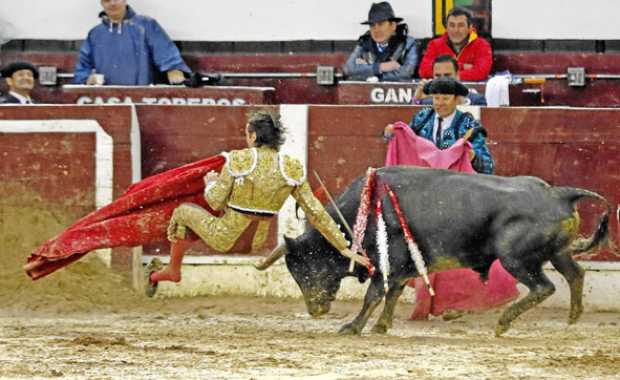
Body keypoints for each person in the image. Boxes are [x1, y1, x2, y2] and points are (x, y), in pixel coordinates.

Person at [147, 111, 370, 296]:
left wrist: (209, 184)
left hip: (226, 237)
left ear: (253, 137)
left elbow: (214, 202)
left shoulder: (239, 159)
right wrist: (345, 248)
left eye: (247, 134)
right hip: (256, 242)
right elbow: (316, 213)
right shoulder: (290, 168)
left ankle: (173, 269)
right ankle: (168, 271)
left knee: (183, 211)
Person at [385, 77, 494, 174]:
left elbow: (488, 166)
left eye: (445, 98)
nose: (440, 103)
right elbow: (406, 143)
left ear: (456, 100)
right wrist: (392, 134)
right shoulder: (423, 117)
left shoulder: (468, 124)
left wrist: (474, 157)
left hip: (455, 185)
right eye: (436, 98)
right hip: (424, 182)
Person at [73, 0, 190, 86]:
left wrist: (174, 69)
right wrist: (87, 79)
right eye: (107, 0)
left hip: (142, 97)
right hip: (106, 99)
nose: (113, 3)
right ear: (101, 3)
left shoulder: (147, 25)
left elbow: (164, 51)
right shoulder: (95, 34)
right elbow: (82, 68)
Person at [343, 2, 418, 82]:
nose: (376, 30)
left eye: (380, 24)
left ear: (393, 25)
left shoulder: (408, 43)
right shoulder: (364, 42)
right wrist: (380, 67)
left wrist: (374, 76)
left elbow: (407, 72)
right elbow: (349, 68)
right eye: (372, 25)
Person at [418, 7, 491, 81]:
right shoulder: (434, 44)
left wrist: (444, 73)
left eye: (461, 25)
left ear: (470, 28)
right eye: (452, 25)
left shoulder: (482, 45)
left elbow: (481, 73)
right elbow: (424, 71)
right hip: (441, 91)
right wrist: (461, 66)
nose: (456, 30)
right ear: (446, 27)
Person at [414, 55, 486, 106]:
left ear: (457, 75)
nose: (442, 80)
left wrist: (461, 103)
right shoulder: (427, 102)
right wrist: (417, 99)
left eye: (447, 75)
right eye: (438, 76)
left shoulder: (477, 101)